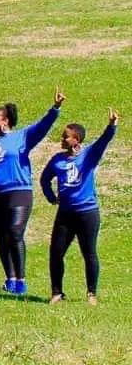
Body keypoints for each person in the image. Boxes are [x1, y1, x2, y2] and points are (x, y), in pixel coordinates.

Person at [0, 88, 65, 296]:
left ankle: (21, 279)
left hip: (18, 192)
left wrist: (55, 108)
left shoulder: (21, 137)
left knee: (15, 231)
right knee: (0, 235)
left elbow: (42, 127)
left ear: (6, 120)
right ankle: (9, 278)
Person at [41, 108, 118, 306]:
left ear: (76, 140)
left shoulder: (89, 156)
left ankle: (91, 293)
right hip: (65, 214)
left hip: (87, 213)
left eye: (65, 137)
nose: (62, 139)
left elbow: (103, 141)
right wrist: (51, 196)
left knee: (89, 252)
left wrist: (111, 126)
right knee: (56, 252)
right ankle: (57, 292)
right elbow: (44, 179)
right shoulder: (57, 160)